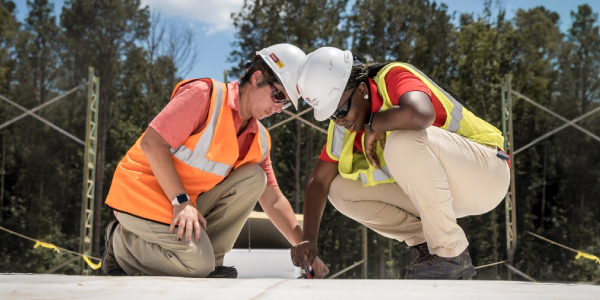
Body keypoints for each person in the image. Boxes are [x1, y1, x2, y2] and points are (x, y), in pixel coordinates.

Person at [101, 43, 329, 278]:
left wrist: (304, 247)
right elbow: (152, 143)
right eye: (278, 95)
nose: (279, 108)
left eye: (286, 102)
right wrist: (181, 201)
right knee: (197, 265)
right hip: (141, 197)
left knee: (254, 177)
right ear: (257, 77)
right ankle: (120, 244)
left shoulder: (259, 139)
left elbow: (273, 201)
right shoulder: (203, 96)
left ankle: (211, 263)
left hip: (184, 207)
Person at [291, 47, 510, 279]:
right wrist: (308, 238)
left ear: (362, 89)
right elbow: (320, 181)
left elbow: (420, 113)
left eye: (342, 110)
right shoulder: (343, 127)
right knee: (340, 191)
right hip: (442, 194)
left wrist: (375, 124)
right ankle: (429, 246)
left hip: (487, 173)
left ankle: (450, 252)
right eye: (333, 115)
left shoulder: (393, 76)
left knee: (402, 140)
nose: (341, 120)